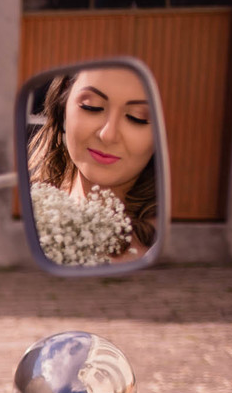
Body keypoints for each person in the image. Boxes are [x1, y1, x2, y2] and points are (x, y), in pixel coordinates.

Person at [28, 68, 157, 260]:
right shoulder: (32, 203)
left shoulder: (155, 246)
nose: (108, 135)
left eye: (138, 118)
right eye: (92, 107)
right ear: (63, 102)